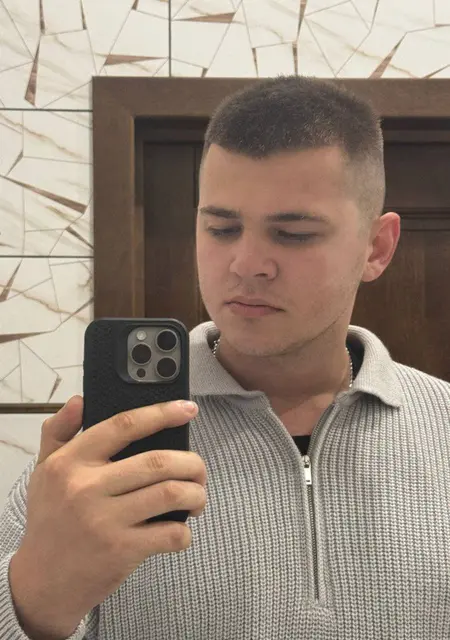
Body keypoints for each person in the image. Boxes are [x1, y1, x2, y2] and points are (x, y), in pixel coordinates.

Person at [1, 75, 450, 640]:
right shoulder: (98, 445)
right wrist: (36, 597)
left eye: (293, 233)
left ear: (376, 248)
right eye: (221, 227)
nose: (246, 264)